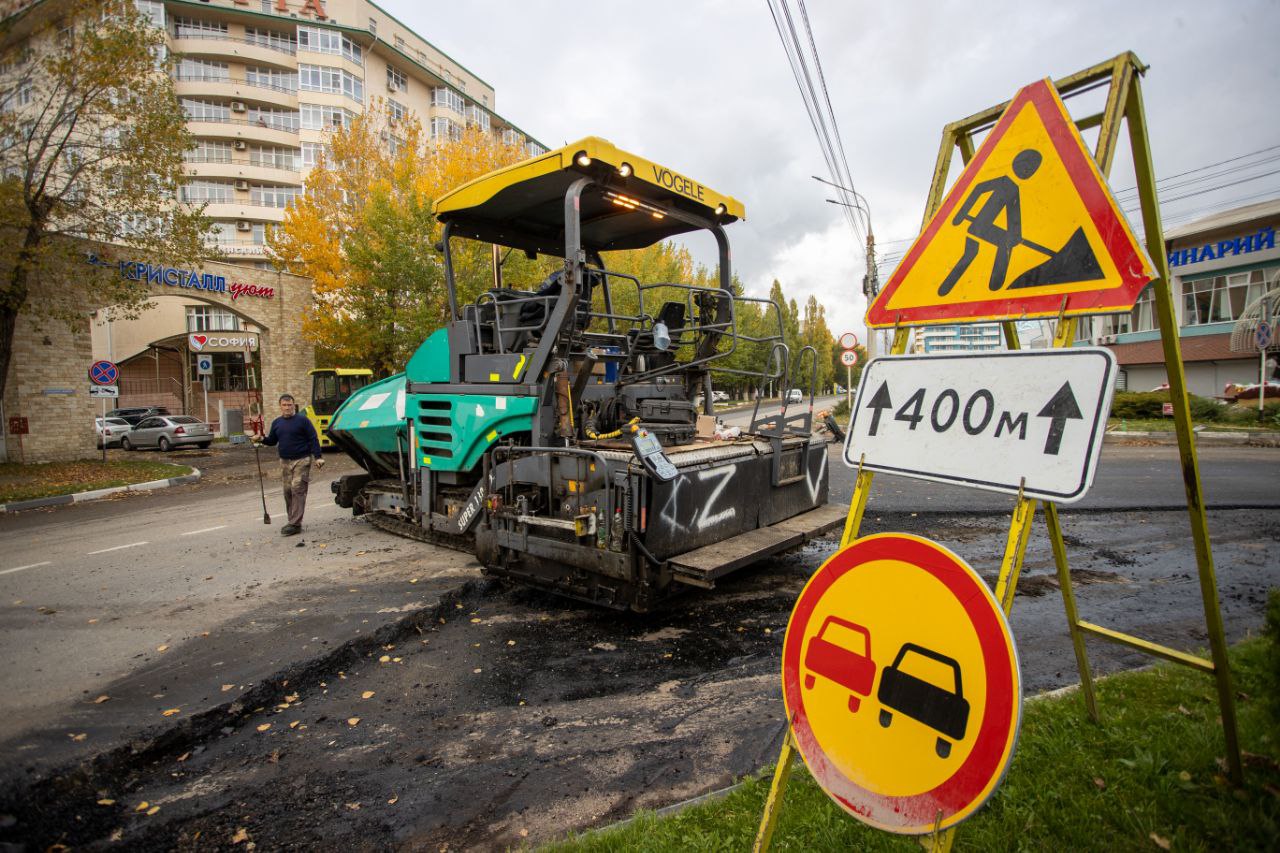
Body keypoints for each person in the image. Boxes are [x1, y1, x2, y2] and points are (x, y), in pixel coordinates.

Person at [253, 393, 323, 536]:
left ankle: (294, 523)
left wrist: (318, 457)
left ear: (294, 405)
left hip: (302, 459)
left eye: (289, 405)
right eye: (284, 405)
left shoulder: (303, 421)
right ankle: (293, 520)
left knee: (298, 488)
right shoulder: (277, 423)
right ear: (280, 406)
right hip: (284, 461)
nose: (287, 408)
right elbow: (272, 440)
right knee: (287, 491)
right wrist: (260, 439)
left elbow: (313, 438)